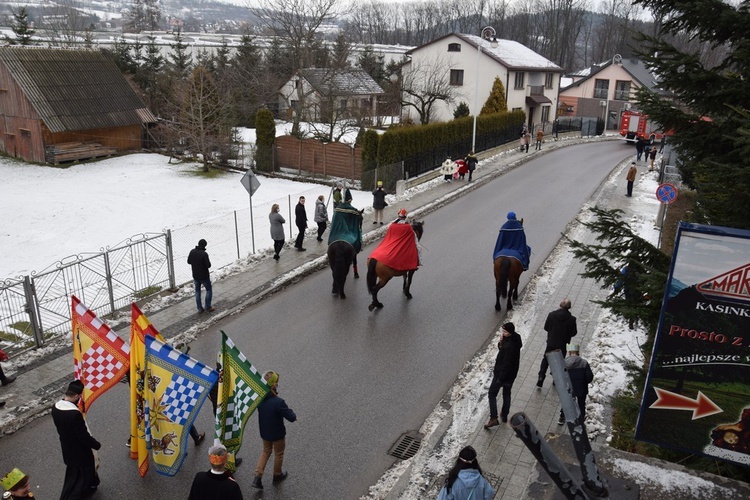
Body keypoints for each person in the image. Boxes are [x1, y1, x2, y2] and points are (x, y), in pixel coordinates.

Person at [52, 379, 101, 500]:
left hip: (67, 447)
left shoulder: (56, 408)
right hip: (80, 451)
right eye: (79, 396)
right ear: (76, 396)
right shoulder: (74, 415)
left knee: (74, 473)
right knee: (83, 474)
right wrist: (96, 444)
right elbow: (82, 436)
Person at [251, 371, 297, 490]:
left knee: (266, 452)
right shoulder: (278, 402)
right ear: (273, 385)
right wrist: (293, 414)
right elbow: (291, 417)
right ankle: (277, 475)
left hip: (265, 433)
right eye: (276, 383)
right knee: (279, 453)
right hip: (277, 434)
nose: (277, 384)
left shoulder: (260, 399)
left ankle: (257, 477)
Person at [484, 322, 523, 428]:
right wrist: (502, 340)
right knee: (507, 393)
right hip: (511, 375)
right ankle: (504, 415)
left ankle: (493, 418)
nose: (503, 333)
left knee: (492, 394)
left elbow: (506, 363)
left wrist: (500, 378)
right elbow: (502, 348)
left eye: (505, 331)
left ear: (510, 332)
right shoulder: (516, 339)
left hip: (502, 374)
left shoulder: (509, 346)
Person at [537, 298, 578, 388]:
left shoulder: (551, 315)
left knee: (546, 359)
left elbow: (546, 327)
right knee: (559, 362)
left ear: (560, 305)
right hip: (562, 345)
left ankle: (541, 376)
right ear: (569, 307)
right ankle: (556, 379)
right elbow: (574, 333)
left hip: (551, 342)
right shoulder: (572, 319)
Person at [557, 343, 595, 425]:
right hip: (581, 389)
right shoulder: (584, 363)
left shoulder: (564, 363)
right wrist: (583, 382)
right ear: (578, 353)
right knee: (581, 404)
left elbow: (560, 377)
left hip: (569, 389)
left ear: (569, 353)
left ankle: (562, 417)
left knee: (567, 403)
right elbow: (589, 377)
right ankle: (581, 421)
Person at [187, 239, 214, 313]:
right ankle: (208, 306)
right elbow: (208, 265)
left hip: (195, 275)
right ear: (204, 245)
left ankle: (199, 308)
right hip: (204, 276)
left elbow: (189, 261)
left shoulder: (192, 251)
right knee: (208, 290)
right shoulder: (204, 254)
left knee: (197, 291)